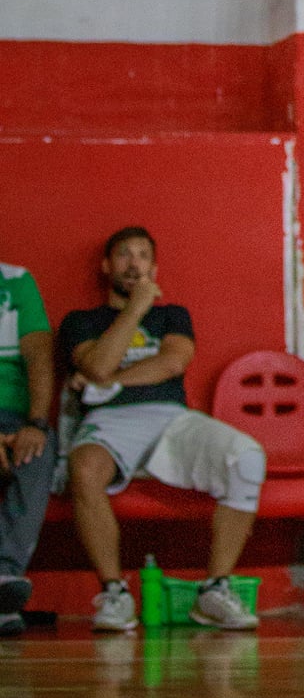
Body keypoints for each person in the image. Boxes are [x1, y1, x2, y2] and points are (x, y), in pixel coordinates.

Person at [58, 227, 267, 632]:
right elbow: (95, 364)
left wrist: (111, 382)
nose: (134, 264)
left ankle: (214, 590)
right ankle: (115, 593)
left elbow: (172, 363)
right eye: (124, 255)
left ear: (155, 268)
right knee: (83, 468)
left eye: (143, 256)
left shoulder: (173, 315)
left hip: (170, 417)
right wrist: (134, 311)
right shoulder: (81, 321)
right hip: (109, 422)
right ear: (106, 266)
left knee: (247, 456)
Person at [0, 259, 55, 636]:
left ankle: (4, 576)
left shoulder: (16, 280)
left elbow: (38, 353)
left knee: (38, 451)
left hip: (12, 416)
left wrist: (35, 423)